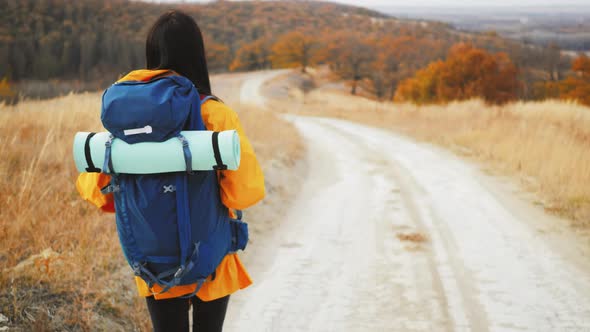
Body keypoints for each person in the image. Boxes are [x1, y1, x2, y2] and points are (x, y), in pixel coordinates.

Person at [76, 10, 265, 332]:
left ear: (152, 52)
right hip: (211, 258)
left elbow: (99, 194)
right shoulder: (214, 113)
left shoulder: (128, 117)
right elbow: (245, 192)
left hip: (153, 259)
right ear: (198, 54)